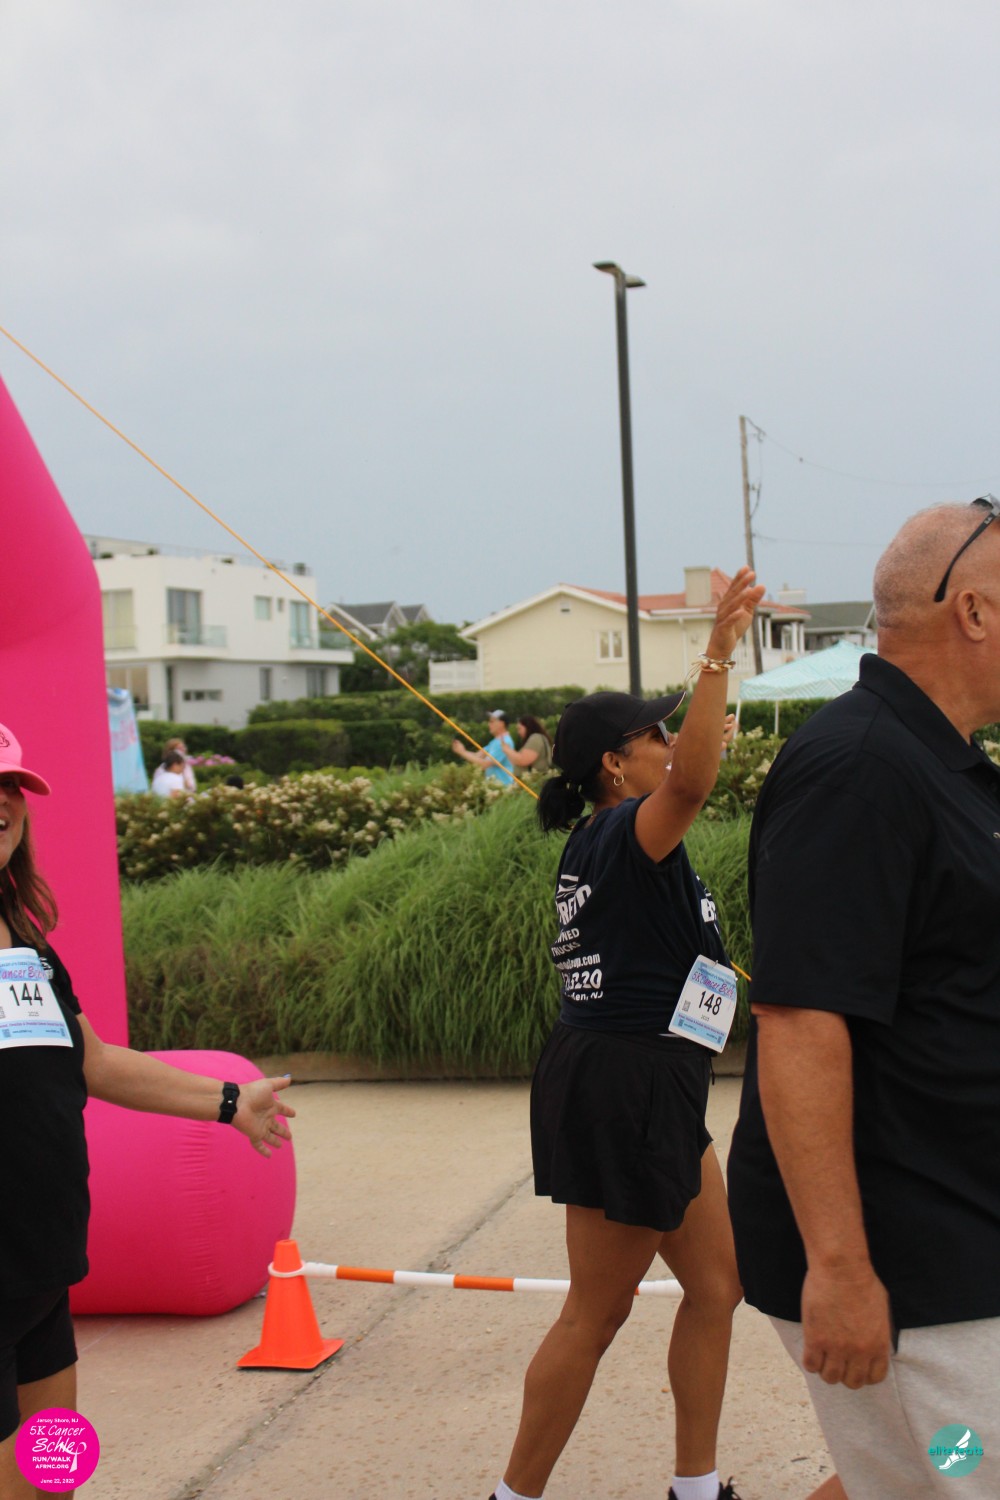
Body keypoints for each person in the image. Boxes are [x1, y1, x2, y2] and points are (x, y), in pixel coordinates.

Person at [727, 501, 1000, 1500]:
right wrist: (839, 1267)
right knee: (961, 1475)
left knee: (916, 1480)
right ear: (973, 612)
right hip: (907, 1263)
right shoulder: (859, 770)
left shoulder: (940, 762)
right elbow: (802, 1021)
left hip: (956, 1232)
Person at [489, 567, 764, 1500]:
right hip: (625, 1082)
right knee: (594, 1314)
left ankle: (696, 1487)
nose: (669, 743)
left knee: (718, 1286)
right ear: (615, 765)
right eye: (654, 733)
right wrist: (716, 653)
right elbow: (695, 780)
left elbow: (685, 779)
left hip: (653, 1081)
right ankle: (512, 1495)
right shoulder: (623, 835)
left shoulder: (626, 845)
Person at [0, 721, 294, 1498]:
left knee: (52, 1480)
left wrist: (228, 1101)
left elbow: (94, 1061)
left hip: (42, 1269)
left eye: (10, 787)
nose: (2, 803)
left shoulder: (25, 943)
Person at [452, 709, 516, 786]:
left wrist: (463, 752)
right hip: (494, 788)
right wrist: (461, 751)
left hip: (503, 788)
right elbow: (477, 756)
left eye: (492, 722)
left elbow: (485, 764)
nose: (489, 724)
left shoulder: (504, 742)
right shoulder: (495, 742)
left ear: (501, 724)